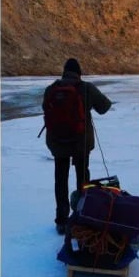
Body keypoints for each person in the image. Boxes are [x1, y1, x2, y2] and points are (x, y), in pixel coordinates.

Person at [43, 58, 111, 234]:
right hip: (81, 143)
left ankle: (61, 220)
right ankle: (82, 216)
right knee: (82, 180)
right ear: (79, 73)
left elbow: (46, 109)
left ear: (64, 72)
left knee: (60, 180)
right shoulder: (86, 88)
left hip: (58, 143)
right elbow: (104, 107)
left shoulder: (52, 89)